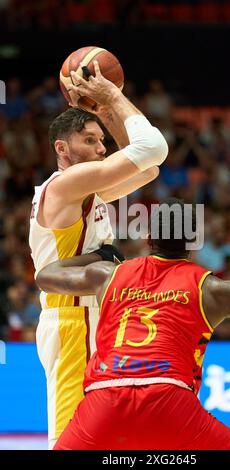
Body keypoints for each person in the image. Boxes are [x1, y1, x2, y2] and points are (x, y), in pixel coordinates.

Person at [36, 198, 230, 450]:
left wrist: (101, 255)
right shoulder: (214, 289)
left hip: (104, 399)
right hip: (170, 400)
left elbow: (45, 276)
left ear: (149, 237)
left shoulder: (107, 275)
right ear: (193, 240)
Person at [29, 60, 168, 448]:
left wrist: (106, 111)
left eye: (101, 139)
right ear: (62, 148)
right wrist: (111, 96)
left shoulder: (86, 191)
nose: (101, 146)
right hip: (74, 320)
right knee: (71, 438)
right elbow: (153, 147)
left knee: (104, 436)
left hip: (95, 317)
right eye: (89, 140)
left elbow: (149, 167)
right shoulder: (66, 184)